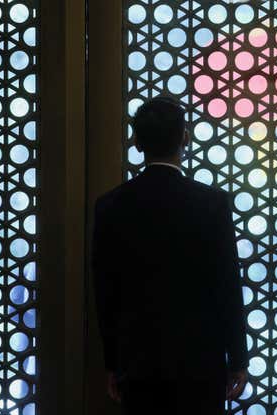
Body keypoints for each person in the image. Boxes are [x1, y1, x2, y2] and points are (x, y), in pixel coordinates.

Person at [92, 97, 249, 414]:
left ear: (137, 142)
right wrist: (238, 358)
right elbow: (228, 287)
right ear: (185, 138)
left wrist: (112, 363)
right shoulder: (212, 204)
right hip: (201, 362)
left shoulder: (110, 206)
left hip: (137, 363)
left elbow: (105, 293)